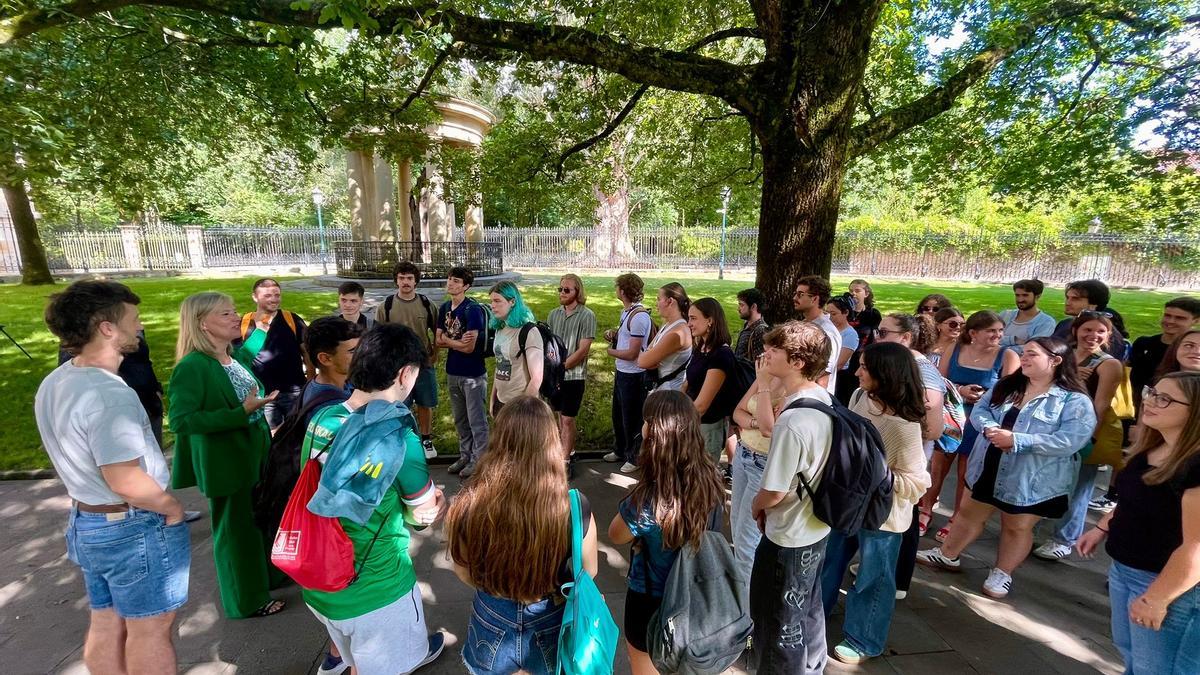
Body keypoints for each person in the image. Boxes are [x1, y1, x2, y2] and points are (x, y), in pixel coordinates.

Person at [36, 280, 188, 675]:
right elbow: (125, 479)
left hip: (89, 521)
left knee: (107, 620)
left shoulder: (58, 380)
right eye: (133, 319)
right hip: (130, 525)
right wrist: (170, 508)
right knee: (151, 629)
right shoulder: (108, 394)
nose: (139, 326)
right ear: (107, 327)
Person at [302, 323, 447, 675]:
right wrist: (437, 504)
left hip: (319, 577)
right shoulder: (398, 435)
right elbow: (422, 513)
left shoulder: (324, 417)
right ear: (404, 374)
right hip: (376, 587)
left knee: (355, 659)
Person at [918, 337, 1096, 599]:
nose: (1023, 358)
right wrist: (989, 428)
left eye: (1032, 354)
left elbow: (1070, 441)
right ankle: (947, 555)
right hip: (987, 466)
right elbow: (980, 411)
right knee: (968, 514)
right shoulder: (1008, 386)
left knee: (1017, 526)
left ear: (1056, 361)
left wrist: (1017, 441)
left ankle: (1002, 572)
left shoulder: (1073, 401)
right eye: (1023, 353)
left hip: (1032, 479)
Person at [446, 396, 598, 675]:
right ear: (551, 444)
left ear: (498, 442)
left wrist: (498, 588)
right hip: (550, 617)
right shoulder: (576, 507)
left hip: (491, 614)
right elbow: (588, 571)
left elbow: (463, 570)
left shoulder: (469, 504)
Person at [1077, 372, 1200, 675]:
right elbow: (1134, 500)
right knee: (1131, 655)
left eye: (1165, 399)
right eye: (1152, 392)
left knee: (1157, 668)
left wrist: (1157, 599)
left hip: (1166, 585)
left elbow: (1196, 547)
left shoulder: (1196, 467)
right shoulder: (1150, 449)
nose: (1150, 402)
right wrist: (1102, 526)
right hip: (1125, 569)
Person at [170, 292, 284, 619]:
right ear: (202, 324)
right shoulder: (192, 367)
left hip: (253, 454)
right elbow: (181, 420)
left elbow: (243, 364)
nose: (236, 317)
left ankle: (269, 579)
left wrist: (263, 325)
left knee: (261, 521)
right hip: (226, 463)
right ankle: (246, 601)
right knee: (236, 535)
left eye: (234, 311)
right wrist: (241, 412)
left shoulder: (227, 356)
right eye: (226, 314)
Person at [821, 342, 930, 665]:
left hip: (883, 517)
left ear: (886, 374)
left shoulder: (904, 426)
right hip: (849, 504)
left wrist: (877, 476)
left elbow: (918, 482)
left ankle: (864, 638)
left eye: (865, 368)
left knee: (874, 578)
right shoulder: (859, 397)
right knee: (830, 561)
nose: (857, 372)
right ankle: (815, 613)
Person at [608, 390, 725, 674]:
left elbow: (616, 534)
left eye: (647, 421)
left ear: (655, 434)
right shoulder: (711, 479)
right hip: (697, 595)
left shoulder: (650, 498)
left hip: (650, 601)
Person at [749, 321, 835, 674]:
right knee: (808, 610)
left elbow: (774, 491)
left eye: (775, 350)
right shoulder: (821, 399)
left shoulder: (793, 420)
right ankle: (814, 666)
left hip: (787, 537)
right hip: (816, 526)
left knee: (777, 625)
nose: (766, 354)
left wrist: (756, 506)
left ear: (798, 361)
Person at [1034, 312, 1123, 561]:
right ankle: (1039, 531)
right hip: (1053, 428)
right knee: (1049, 481)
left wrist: (1086, 440)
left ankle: (1065, 538)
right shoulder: (1066, 355)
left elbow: (1100, 406)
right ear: (1076, 330)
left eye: (1100, 332)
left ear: (1107, 336)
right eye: (1087, 330)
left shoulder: (1108, 364)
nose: (1093, 336)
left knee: (1079, 487)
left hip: (1082, 433)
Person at [873, 313, 946, 597]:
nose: (876, 337)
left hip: (906, 462)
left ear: (905, 337)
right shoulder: (900, 364)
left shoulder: (922, 369)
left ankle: (897, 580)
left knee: (903, 515)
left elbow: (934, 425)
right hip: (889, 458)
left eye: (884, 333)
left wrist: (898, 431)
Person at [932, 310, 1020, 542]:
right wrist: (960, 391)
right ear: (973, 332)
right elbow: (940, 380)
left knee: (966, 472)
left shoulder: (1008, 355)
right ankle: (925, 509)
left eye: (1000, 331)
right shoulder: (955, 348)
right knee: (937, 467)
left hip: (980, 421)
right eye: (991, 331)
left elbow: (1010, 392)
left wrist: (983, 397)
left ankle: (956, 519)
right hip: (952, 415)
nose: (997, 335)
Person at [376, 261, 440, 458]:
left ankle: (426, 440)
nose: (405, 282)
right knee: (400, 404)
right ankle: (403, 438)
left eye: (409, 278)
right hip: (397, 365)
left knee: (425, 402)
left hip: (422, 363)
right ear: (396, 280)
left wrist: (435, 354)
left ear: (416, 281)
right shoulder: (386, 306)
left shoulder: (427, 305)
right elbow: (379, 337)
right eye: (402, 278)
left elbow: (438, 332)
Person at [436, 266, 490, 479]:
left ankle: (480, 460)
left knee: (476, 419)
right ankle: (465, 455)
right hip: (453, 371)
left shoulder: (472, 310)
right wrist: (454, 342)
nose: (451, 283)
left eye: (457, 281)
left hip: (473, 374)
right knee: (460, 419)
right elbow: (438, 341)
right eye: (449, 279)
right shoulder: (445, 308)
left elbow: (469, 347)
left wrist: (449, 341)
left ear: (466, 286)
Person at [238, 278, 307, 430]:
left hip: (293, 391)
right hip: (262, 394)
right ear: (255, 297)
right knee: (269, 436)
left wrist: (311, 379)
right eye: (267, 296)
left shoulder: (292, 319)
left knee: (297, 433)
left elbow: (307, 353)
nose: (274, 299)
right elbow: (237, 358)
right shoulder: (243, 323)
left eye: (277, 295)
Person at [604, 273, 653, 473]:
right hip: (622, 371)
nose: (616, 290)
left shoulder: (639, 317)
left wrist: (610, 352)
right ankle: (620, 449)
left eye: (617, 287)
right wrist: (614, 335)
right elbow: (627, 338)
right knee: (618, 414)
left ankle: (634, 457)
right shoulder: (627, 312)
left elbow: (633, 353)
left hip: (634, 375)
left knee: (632, 417)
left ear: (623, 291)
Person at [684, 297, 741, 461]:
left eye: (693, 318)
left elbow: (702, 405)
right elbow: (687, 383)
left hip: (706, 428)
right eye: (689, 318)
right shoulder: (701, 347)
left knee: (701, 481)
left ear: (710, 321)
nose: (689, 323)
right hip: (693, 421)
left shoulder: (721, 354)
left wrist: (677, 422)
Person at [548, 273, 597, 464]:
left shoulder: (587, 315)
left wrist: (562, 368)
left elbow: (583, 350)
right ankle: (569, 450)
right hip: (554, 376)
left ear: (578, 292)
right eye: (560, 289)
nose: (562, 292)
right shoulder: (554, 314)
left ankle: (565, 460)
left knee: (567, 419)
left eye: (566, 290)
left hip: (573, 376)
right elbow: (549, 345)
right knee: (559, 417)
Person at [1130, 297, 1200, 409]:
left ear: (1195, 321)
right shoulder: (1143, 343)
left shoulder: (1190, 354)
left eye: (1180, 318)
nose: (1171, 321)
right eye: (1167, 315)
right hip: (1133, 408)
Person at [489, 281, 543, 416]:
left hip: (521, 406)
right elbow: (500, 363)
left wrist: (521, 411)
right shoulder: (500, 329)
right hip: (501, 403)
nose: (492, 306)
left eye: (497, 301)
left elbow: (536, 378)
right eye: (491, 301)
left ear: (512, 302)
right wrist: (493, 399)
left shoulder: (529, 332)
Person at [637, 282, 693, 393]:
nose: (656, 303)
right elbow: (648, 352)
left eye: (658, 299)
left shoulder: (677, 333)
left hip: (669, 395)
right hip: (661, 391)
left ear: (670, 301)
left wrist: (649, 356)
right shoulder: (668, 325)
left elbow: (642, 361)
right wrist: (649, 355)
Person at [1052, 279, 1128, 359]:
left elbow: (1103, 364)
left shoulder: (1106, 334)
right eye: (1067, 298)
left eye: (1075, 299)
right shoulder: (1064, 323)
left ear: (1094, 304)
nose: (1067, 303)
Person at [793, 275, 841, 393]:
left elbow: (823, 375)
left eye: (800, 294)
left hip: (811, 400)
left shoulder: (826, 331)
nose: (794, 298)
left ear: (814, 299)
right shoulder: (804, 324)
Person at [301, 317, 362, 411]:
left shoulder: (342, 382)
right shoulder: (330, 407)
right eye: (353, 351)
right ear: (325, 359)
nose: (362, 354)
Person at [999, 279, 1057, 348]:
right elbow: (987, 337)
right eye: (1017, 295)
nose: (1020, 299)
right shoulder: (1005, 315)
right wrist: (1013, 339)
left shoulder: (1046, 322)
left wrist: (998, 349)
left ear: (1037, 297)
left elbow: (1032, 348)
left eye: (1025, 295)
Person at [826, 296, 860, 405]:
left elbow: (840, 363)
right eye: (828, 314)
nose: (830, 318)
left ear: (845, 313)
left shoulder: (850, 334)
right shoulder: (828, 329)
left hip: (838, 378)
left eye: (834, 314)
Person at [735, 287, 770, 361]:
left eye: (742, 305)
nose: (738, 309)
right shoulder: (748, 325)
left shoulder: (761, 331)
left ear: (753, 306)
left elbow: (759, 363)